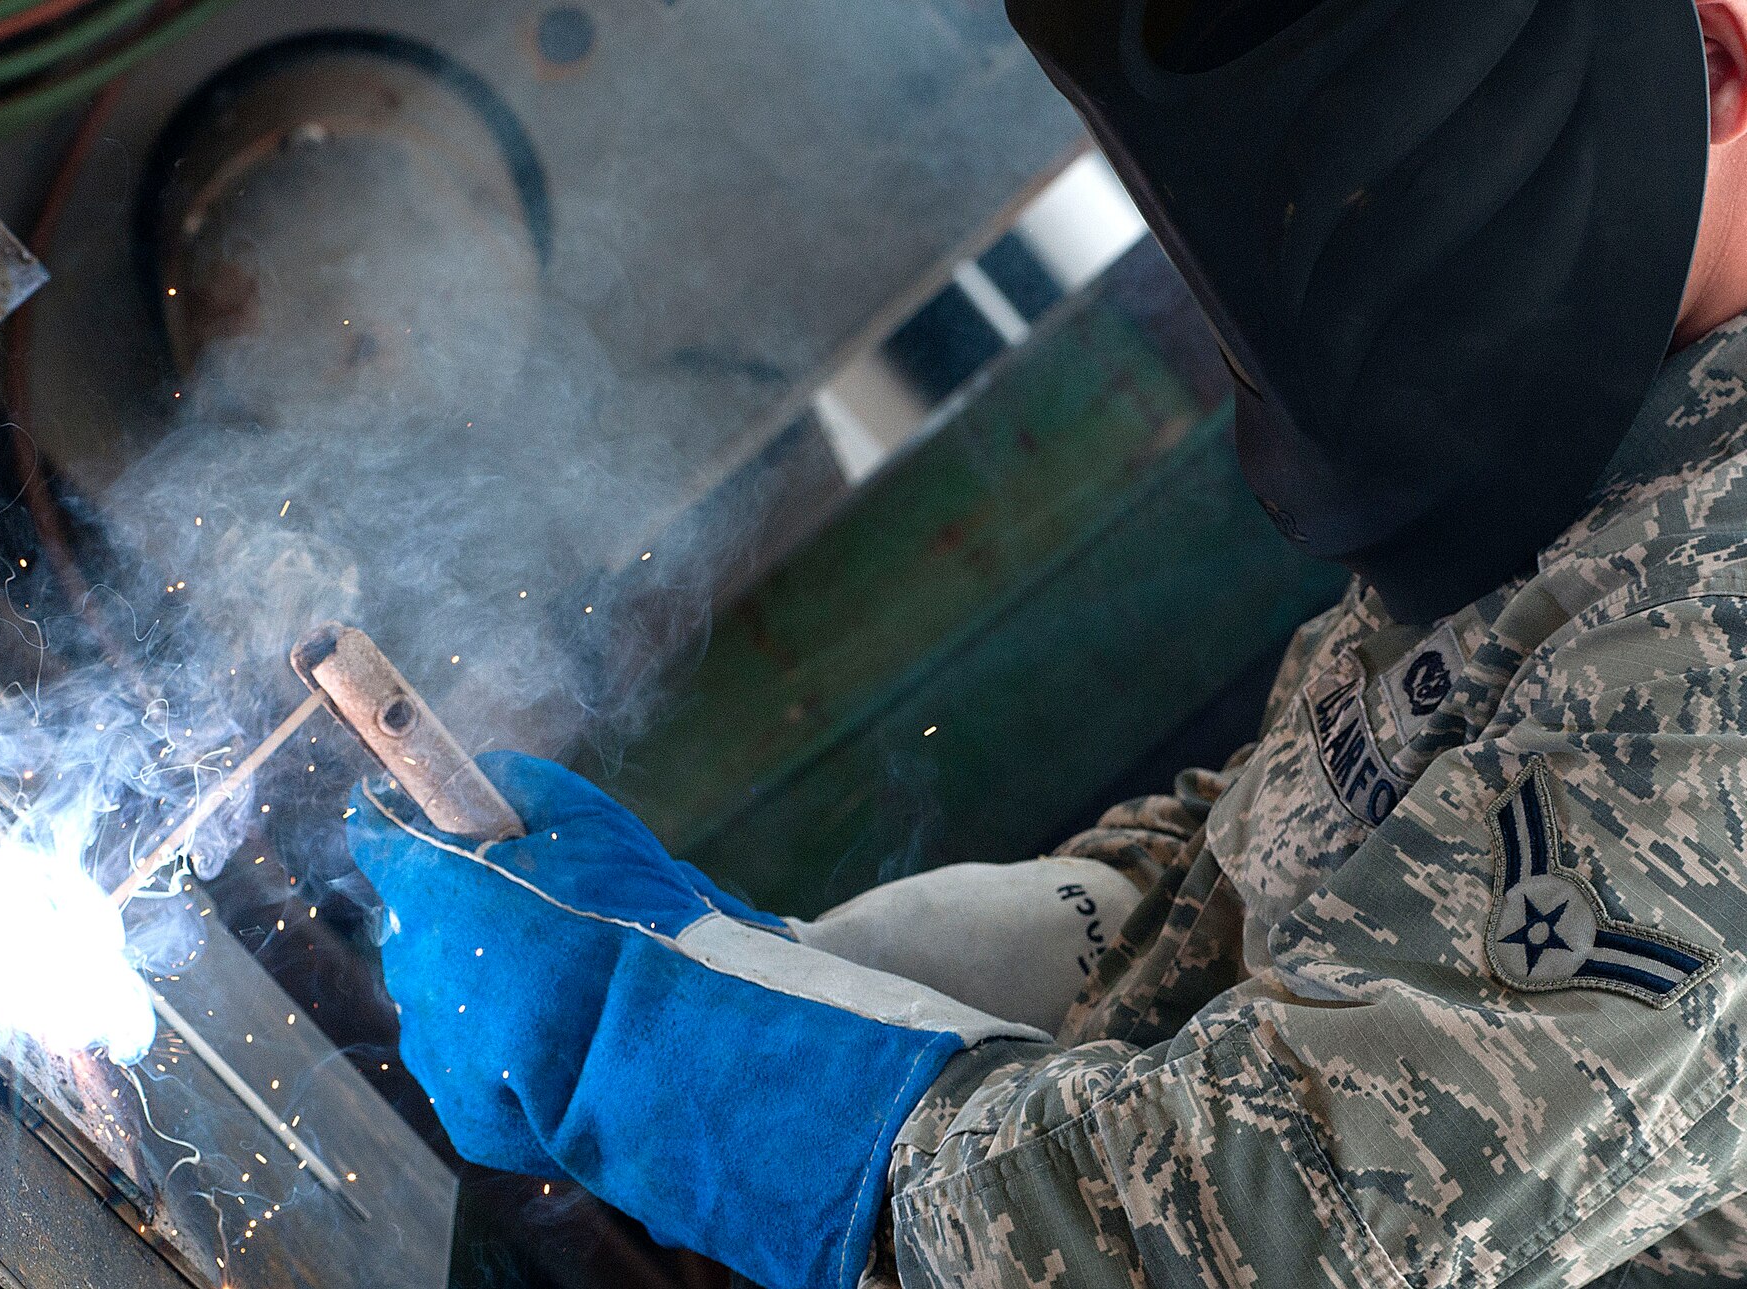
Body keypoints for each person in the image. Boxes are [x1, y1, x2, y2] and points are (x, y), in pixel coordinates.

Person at [340, 1, 1747, 1285]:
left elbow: (1273, 1239)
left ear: (1715, 62)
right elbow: (1344, 820)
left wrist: (681, 1067)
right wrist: (1036, 933)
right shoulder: (1597, 437)